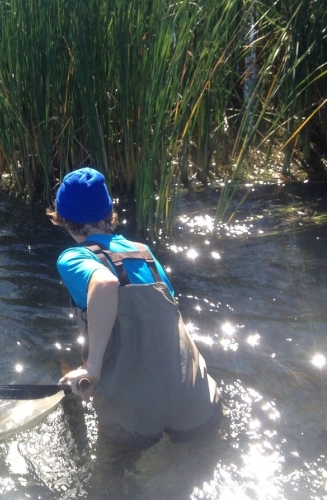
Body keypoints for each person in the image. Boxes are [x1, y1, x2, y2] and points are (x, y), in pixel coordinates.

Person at [49, 167, 222, 449]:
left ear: (63, 219)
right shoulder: (144, 252)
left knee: (113, 484)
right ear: (108, 213)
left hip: (134, 414)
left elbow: (104, 283)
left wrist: (91, 368)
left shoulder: (73, 257)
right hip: (196, 401)